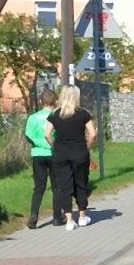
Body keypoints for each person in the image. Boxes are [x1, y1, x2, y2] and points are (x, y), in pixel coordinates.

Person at [44, 85, 96, 230]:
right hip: (79, 152)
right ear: (76, 96)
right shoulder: (83, 113)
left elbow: (47, 134)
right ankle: (82, 217)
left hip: (61, 154)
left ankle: (68, 221)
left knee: (64, 186)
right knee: (81, 183)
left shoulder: (55, 114)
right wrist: (87, 146)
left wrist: (55, 146)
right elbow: (92, 134)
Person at [23, 89, 56, 230]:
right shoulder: (56, 116)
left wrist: (39, 143)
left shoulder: (33, 118)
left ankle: (34, 215)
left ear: (41, 101)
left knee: (39, 186)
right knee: (57, 185)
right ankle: (57, 216)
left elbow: (28, 135)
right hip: (54, 153)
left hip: (38, 154)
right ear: (55, 102)